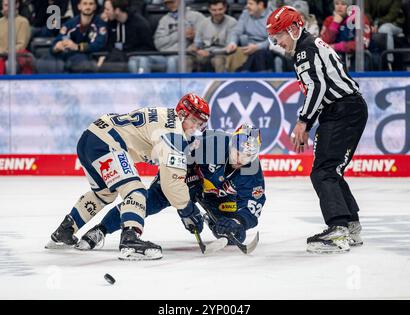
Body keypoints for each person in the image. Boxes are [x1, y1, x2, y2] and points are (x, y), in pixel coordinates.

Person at [46, 93, 210, 261]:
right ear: (182, 114)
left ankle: (65, 230)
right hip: (108, 143)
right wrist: (188, 209)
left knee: (103, 194)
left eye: (200, 124)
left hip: (89, 139)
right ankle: (130, 239)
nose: (195, 128)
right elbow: (171, 184)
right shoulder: (173, 133)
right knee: (136, 191)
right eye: (194, 121)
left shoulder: (166, 117)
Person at [266, 6, 368, 253]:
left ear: (292, 29)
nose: (276, 42)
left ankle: (338, 229)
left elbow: (317, 88)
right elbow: (320, 87)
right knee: (331, 169)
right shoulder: (311, 45)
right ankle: (350, 225)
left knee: (323, 171)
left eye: (277, 35)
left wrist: (303, 122)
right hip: (347, 109)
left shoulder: (305, 50)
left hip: (342, 111)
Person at [76, 124, 265, 250]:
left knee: (233, 234)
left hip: (216, 195)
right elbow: (174, 155)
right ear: (231, 142)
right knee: (147, 202)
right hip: (185, 178)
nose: (241, 159)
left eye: (248, 156)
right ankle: (101, 229)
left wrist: (239, 221)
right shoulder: (212, 143)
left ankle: (213, 220)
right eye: (238, 152)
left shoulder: (251, 169)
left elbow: (253, 204)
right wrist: (184, 207)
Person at [38, 0, 107, 73]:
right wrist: (57, 47)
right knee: (46, 60)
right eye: (85, 4)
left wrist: (77, 47)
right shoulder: (71, 23)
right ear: (79, 6)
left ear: (95, 7)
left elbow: (99, 44)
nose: (88, 7)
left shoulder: (100, 24)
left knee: (81, 63)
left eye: (91, 4)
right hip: (67, 55)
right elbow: (58, 39)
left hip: (86, 57)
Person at [187, 0, 237, 72]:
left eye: (220, 9)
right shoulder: (203, 23)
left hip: (222, 54)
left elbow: (229, 48)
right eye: (214, 10)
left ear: (225, 8)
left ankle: (220, 82)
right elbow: (197, 43)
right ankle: (186, 82)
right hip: (204, 52)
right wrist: (196, 49)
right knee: (187, 60)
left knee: (218, 60)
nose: (217, 13)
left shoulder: (232, 22)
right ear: (209, 10)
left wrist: (210, 52)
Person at [0, 0, 33, 74]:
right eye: (5, 5)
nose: (7, 8)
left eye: (9, 5)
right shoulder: (0, 22)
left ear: (17, 5)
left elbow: (21, 45)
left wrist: (4, 53)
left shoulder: (23, 22)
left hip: (13, 56)